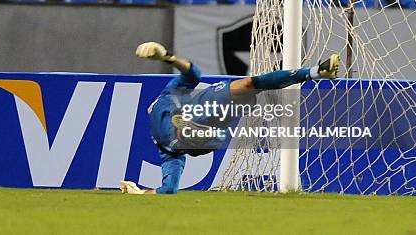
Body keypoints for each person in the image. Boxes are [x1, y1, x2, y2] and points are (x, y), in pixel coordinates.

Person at [120, 42, 339, 195]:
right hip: (206, 134)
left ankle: (316, 72)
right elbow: (168, 189)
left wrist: (168, 57)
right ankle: (198, 132)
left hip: (209, 113)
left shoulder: (169, 94)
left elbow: (193, 74)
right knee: (220, 117)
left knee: (248, 84)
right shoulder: (166, 147)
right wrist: (139, 192)